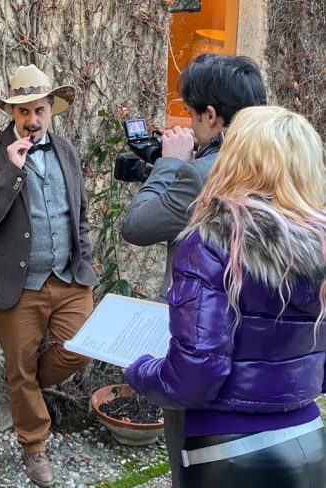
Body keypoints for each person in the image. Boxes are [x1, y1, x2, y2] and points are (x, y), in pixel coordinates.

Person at [125, 105, 326, 487]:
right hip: (310, 440)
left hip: (230, 452)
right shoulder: (320, 244)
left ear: (237, 158)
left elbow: (194, 377)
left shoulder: (213, 241)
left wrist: (140, 371)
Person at [120, 53, 267, 486]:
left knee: (191, 466)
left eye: (191, 113)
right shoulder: (281, 167)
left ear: (211, 115)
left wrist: (170, 163)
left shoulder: (199, 174)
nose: (190, 122)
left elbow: (136, 226)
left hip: (203, 345)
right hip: (268, 355)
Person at [0, 64, 98, 487]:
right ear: (12, 112)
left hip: (68, 278)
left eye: (39, 110)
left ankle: (25, 389)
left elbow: (80, 212)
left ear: (50, 110)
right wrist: (12, 170)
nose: (32, 120)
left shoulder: (67, 151)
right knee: (19, 368)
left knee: (81, 348)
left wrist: (84, 257)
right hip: (17, 286)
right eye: (23, 111)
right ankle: (34, 445)